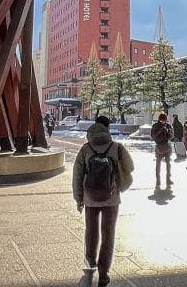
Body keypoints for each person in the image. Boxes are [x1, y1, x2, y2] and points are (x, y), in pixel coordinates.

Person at [72, 116, 134, 287]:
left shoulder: (86, 149)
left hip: (90, 199)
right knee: (108, 234)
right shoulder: (117, 147)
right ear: (107, 129)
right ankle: (104, 273)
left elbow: (77, 176)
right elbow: (130, 168)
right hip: (111, 198)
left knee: (91, 232)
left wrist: (79, 199)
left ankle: (90, 265)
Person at [150, 112, 174, 188]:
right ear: (159, 119)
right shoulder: (155, 126)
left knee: (168, 164)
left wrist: (169, 132)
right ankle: (158, 180)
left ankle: (168, 179)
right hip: (159, 146)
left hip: (167, 146)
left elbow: (171, 136)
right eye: (162, 120)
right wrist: (160, 130)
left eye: (164, 120)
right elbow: (153, 136)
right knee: (158, 164)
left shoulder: (168, 125)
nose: (163, 122)